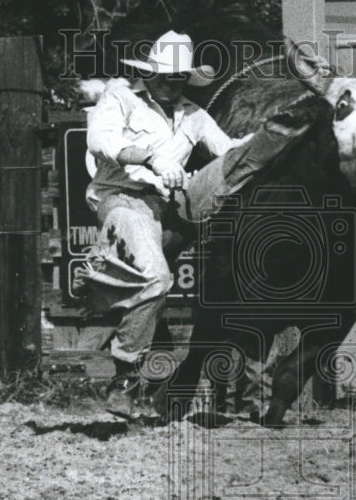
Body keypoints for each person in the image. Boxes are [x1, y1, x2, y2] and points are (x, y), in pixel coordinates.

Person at [76, 31, 259, 417]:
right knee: (158, 279)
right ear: (150, 72)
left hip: (167, 212)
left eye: (177, 77)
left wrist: (266, 138)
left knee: (212, 207)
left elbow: (229, 152)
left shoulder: (194, 115)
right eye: (164, 75)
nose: (169, 83)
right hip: (124, 201)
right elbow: (100, 142)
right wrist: (150, 159)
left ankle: (106, 274)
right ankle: (124, 376)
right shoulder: (121, 98)